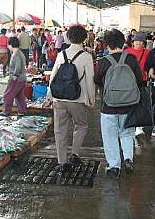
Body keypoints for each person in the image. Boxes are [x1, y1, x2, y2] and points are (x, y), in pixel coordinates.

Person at [94, 29, 143, 177]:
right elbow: (139, 80)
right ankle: (128, 158)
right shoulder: (131, 59)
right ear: (124, 43)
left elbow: (96, 80)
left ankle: (114, 166)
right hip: (129, 104)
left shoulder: (103, 62)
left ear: (107, 45)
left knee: (110, 136)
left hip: (108, 106)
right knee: (127, 133)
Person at [49, 25, 95, 173]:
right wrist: (91, 99)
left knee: (60, 130)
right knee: (81, 126)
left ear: (68, 37)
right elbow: (90, 80)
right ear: (84, 38)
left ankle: (63, 162)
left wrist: (51, 96)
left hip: (60, 99)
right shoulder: (87, 56)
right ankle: (75, 154)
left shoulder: (61, 54)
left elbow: (53, 76)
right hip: (78, 98)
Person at [125, 31, 150, 136]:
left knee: (141, 103)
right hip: (129, 80)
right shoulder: (126, 51)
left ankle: (139, 126)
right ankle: (129, 123)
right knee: (130, 102)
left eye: (140, 41)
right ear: (133, 42)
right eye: (136, 41)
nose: (138, 43)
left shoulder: (147, 52)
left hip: (142, 80)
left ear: (144, 43)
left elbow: (150, 65)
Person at [3, 37, 27, 116]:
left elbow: (18, 66)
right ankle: (22, 112)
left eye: (8, 45)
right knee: (19, 96)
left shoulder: (16, 54)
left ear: (11, 45)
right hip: (22, 78)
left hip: (17, 78)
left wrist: (15, 76)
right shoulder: (20, 52)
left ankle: (6, 112)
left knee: (8, 95)